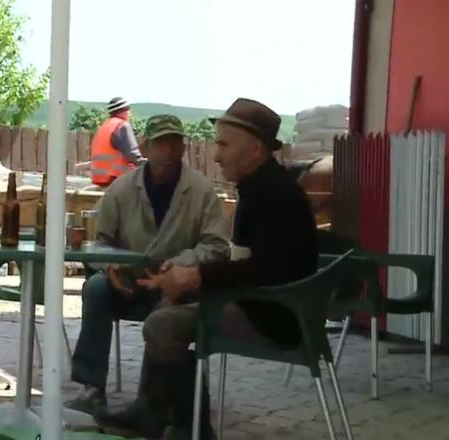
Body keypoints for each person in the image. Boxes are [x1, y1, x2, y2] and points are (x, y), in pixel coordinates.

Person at [93, 98, 319, 439]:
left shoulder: (274, 194)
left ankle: (182, 425)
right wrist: (189, 280)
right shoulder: (262, 186)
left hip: (276, 315)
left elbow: (268, 269)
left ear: (255, 149)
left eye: (224, 145)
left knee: (164, 324)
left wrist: (197, 276)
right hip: (266, 302)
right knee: (169, 307)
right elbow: (251, 263)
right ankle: (171, 418)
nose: (216, 156)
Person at [69, 114, 230, 414]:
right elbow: (97, 241)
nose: (168, 152)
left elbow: (216, 245)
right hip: (128, 280)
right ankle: (91, 386)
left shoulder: (202, 191)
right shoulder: (120, 189)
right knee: (95, 288)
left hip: (175, 284)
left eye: (175, 144)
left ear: (184, 148)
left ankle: (149, 402)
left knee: (167, 313)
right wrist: (109, 267)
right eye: (161, 143)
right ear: (145, 146)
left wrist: (178, 266)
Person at [90, 97, 145, 187]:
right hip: (117, 180)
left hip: (99, 179)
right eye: (128, 109)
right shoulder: (122, 126)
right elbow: (133, 156)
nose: (130, 113)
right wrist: (150, 164)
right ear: (123, 111)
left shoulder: (104, 127)